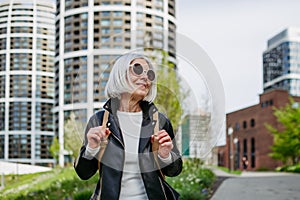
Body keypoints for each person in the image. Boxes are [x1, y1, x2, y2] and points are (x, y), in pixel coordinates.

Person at [74, 53, 182, 200]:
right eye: (137, 70)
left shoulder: (159, 121)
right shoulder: (100, 120)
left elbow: (174, 171)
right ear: (120, 74)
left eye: (149, 74)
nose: (145, 77)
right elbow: (83, 173)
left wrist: (166, 156)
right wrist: (91, 148)